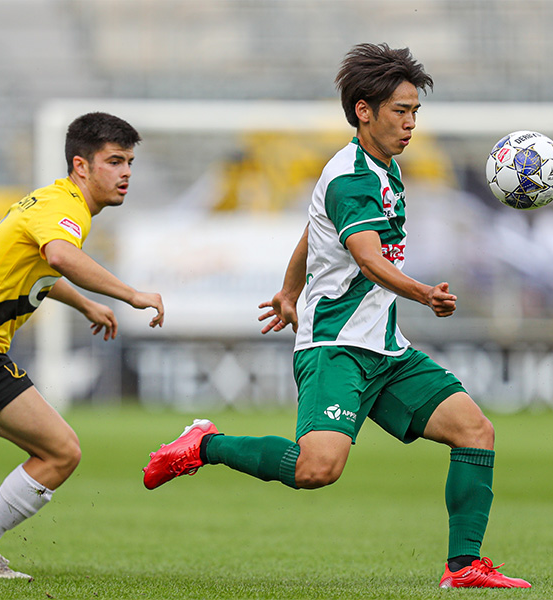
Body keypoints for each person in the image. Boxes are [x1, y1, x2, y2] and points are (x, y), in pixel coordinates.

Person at [143, 43, 530, 589]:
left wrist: (289, 289)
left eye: (415, 111)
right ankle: (204, 444)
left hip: (386, 350)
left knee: (474, 430)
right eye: (401, 111)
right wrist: (423, 294)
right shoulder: (352, 177)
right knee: (316, 469)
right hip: (337, 348)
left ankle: (464, 566)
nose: (411, 123)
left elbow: (314, 228)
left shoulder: (382, 169)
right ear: (364, 111)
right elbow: (368, 259)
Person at [0, 112, 164, 580]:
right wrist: (130, 294)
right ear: (81, 166)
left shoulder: (51, 202)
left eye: (130, 162)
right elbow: (60, 256)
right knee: (61, 451)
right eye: (115, 161)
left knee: (59, 450)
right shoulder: (62, 206)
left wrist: (85, 303)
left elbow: (39, 266)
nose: (126, 172)